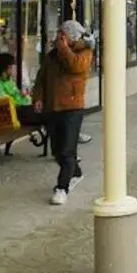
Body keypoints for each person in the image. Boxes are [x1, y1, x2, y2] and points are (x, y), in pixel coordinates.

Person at [32, 20, 94, 206]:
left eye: (63, 35)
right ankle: (76, 173)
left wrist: (64, 49)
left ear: (71, 36)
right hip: (52, 107)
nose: (59, 38)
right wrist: (38, 97)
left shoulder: (84, 52)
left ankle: (62, 188)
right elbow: (41, 78)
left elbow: (76, 67)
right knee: (57, 150)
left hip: (72, 108)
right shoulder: (52, 55)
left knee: (67, 150)